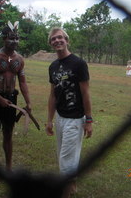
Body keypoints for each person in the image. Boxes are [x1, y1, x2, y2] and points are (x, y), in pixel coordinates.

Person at [0, 21, 31, 183]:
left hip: (10, 100)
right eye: (11, 38)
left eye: (17, 38)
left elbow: (22, 82)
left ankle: (8, 168)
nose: (15, 41)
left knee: (8, 134)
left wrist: (28, 103)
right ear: (3, 39)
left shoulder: (20, 60)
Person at [45, 27, 93, 197]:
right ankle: (72, 184)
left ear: (67, 40)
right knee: (64, 155)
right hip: (60, 117)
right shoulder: (53, 66)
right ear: (51, 44)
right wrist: (49, 120)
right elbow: (52, 95)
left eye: (60, 38)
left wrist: (89, 120)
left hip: (75, 118)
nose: (57, 41)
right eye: (53, 39)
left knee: (66, 158)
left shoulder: (79, 64)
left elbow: (85, 93)